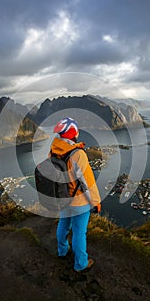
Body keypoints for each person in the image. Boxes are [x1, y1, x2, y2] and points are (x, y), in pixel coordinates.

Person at [50, 117, 101, 272]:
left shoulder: (54, 149)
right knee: (79, 232)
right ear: (74, 133)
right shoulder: (78, 154)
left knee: (64, 224)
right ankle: (81, 264)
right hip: (79, 201)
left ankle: (62, 251)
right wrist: (95, 201)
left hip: (63, 197)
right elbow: (87, 182)